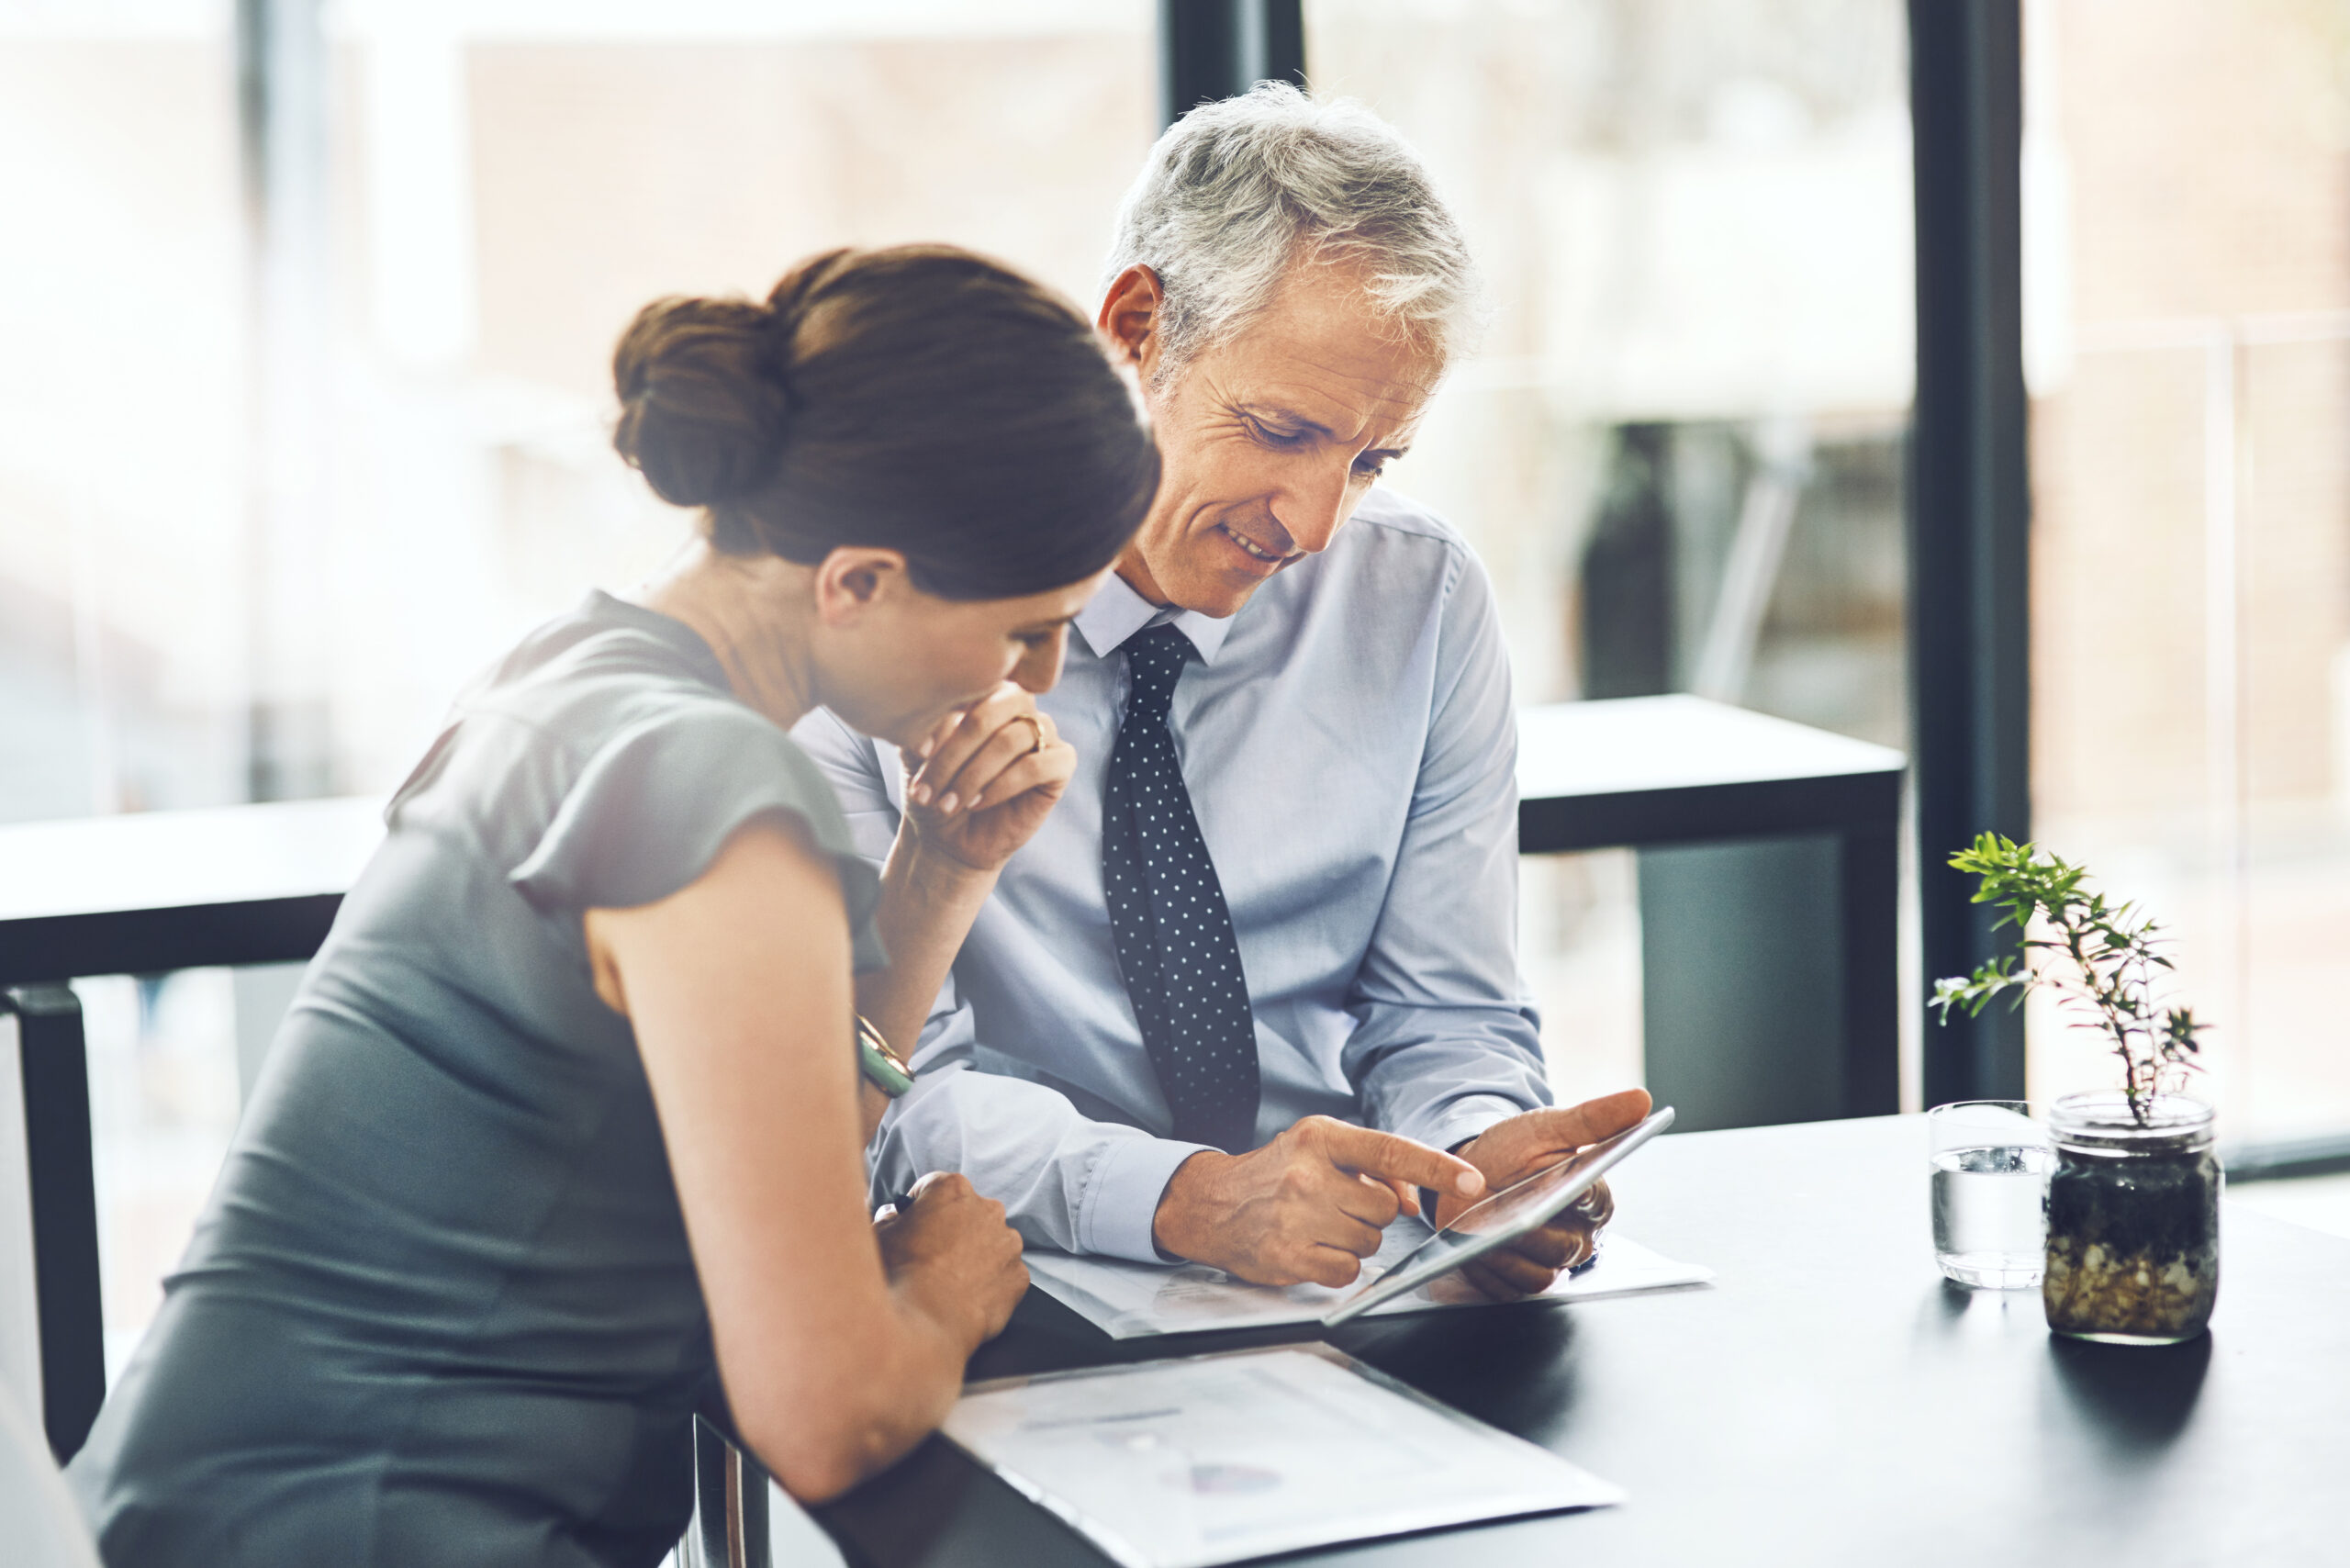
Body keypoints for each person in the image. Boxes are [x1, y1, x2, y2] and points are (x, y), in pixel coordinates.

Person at [66, 244, 1160, 1567]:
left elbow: (795, 1125)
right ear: (858, 580)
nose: (1034, 679)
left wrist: (934, 874)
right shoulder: (714, 782)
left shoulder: (576, 672)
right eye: (1024, 627)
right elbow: (832, 1415)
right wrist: (942, 1293)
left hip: (218, 1507)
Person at [800, 84, 1651, 1302]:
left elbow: (1446, 1007)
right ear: (1135, 328)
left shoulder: (1421, 598)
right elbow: (879, 1089)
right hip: (1021, 1284)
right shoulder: (889, 623)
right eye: (1281, 430)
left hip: (1355, 1279)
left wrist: (1475, 1160)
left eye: (1370, 461)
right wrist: (1196, 1199)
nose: (1314, 524)